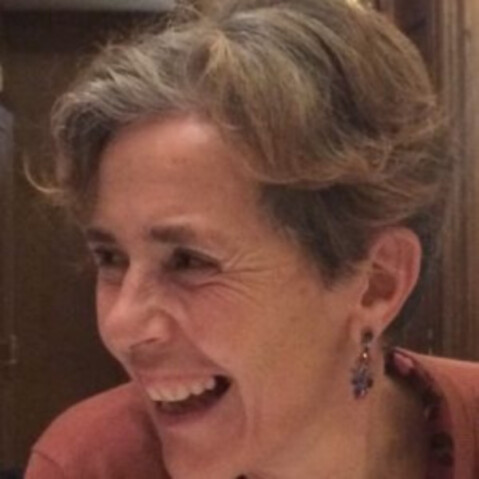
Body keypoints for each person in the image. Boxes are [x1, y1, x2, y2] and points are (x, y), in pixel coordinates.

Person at [24, 0, 479, 478]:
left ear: (376, 284)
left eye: (188, 261)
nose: (121, 325)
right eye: (110, 257)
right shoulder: (91, 464)